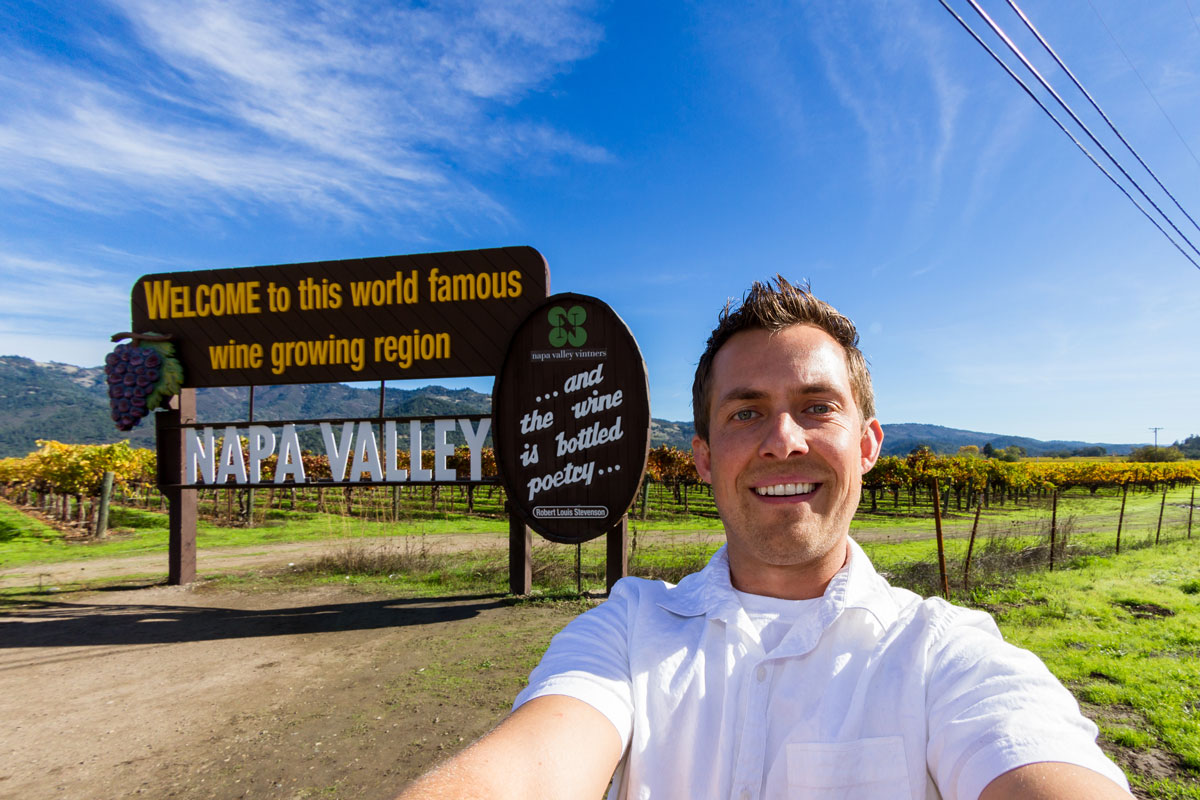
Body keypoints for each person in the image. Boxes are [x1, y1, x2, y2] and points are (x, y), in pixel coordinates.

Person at [396, 278, 1132, 800]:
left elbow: (1037, 756)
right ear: (706, 456)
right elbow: (529, 768)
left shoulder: (947, 654)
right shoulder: (625, 632)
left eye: (817, 407)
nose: (783, 441)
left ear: (868, 444)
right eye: (746, 413)